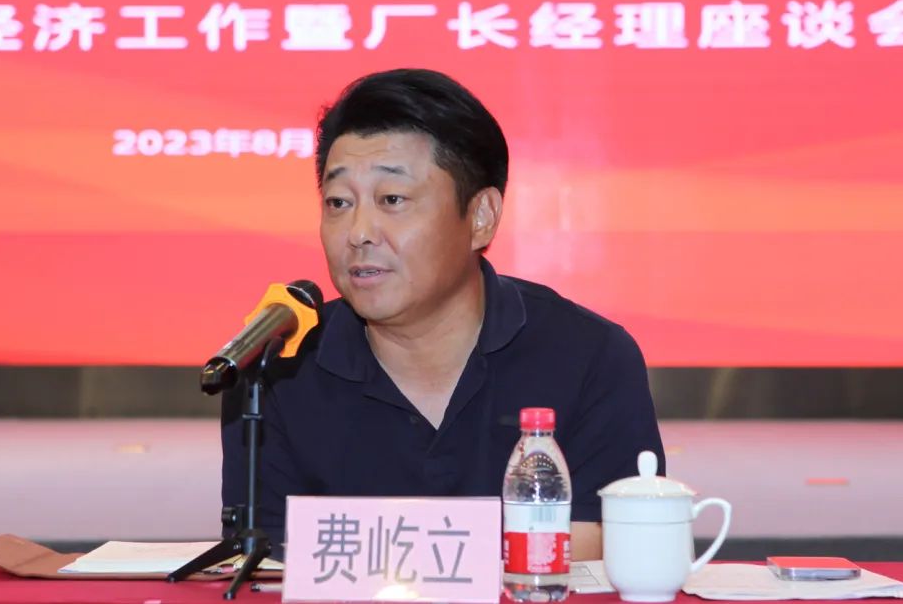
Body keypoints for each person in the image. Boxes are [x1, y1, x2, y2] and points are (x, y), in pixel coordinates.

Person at [222, 68, 664, 560]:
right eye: (338, 202)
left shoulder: (588, 356)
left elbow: (604, 550)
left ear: (481, 217)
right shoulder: (279, 370)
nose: (358, 233)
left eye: (392, 200)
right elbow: (266, 565)